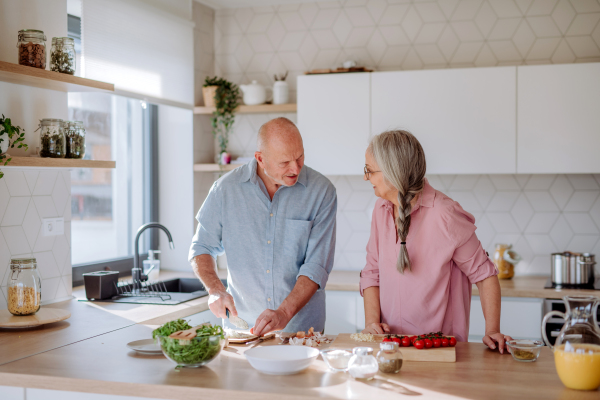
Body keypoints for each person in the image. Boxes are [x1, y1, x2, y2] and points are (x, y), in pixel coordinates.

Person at [361, 130, 513, 353]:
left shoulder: (444, 213)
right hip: (390, 348)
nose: (366, 177)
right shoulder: (380, 209)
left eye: (369, 171)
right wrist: (371, 324)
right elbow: (372, 272)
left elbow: (485, 274)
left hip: (439, 350)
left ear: (392, 172)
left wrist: (492, 329)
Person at [189, 117, 336, 337]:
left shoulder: (322, 192)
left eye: (299, 157)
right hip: (242, 331)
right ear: (260, 159)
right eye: (284, 162)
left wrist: (284, 313)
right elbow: (201, 247)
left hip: (301, 332)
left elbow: (316, 266)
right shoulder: (225, 190)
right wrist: (216, 290)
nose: (295, 168)